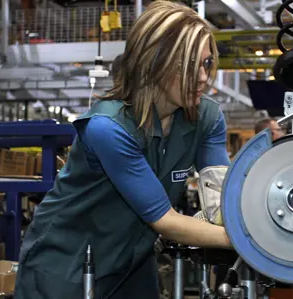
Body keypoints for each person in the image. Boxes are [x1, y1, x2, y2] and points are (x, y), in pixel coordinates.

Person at [14, 2, 232, 299]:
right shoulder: (109, 128)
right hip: (67, 263)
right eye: (190, 66)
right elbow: (165, 220)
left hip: (133, 260)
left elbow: (220, 197)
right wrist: (246, 241)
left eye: (207, 64)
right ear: (153, 61)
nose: (204, 78)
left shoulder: (206, 118)